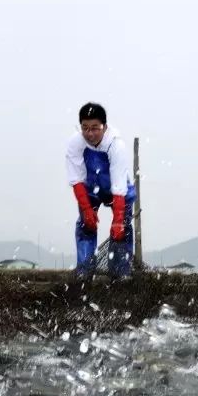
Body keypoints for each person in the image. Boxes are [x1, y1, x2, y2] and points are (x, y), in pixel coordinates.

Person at [65, 102, 136, 278]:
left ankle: (120, 273)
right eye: (85, 128)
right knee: (85, 225)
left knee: (122, 228)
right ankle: (85, 272)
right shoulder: (76, 143)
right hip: (90, 187)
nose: (90, 133)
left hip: (116, 189)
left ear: (104, 126)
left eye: (95, 128)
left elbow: (119, 185)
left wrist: (118, 219)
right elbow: (76, 178)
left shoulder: (115, 144)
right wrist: (87, 209)